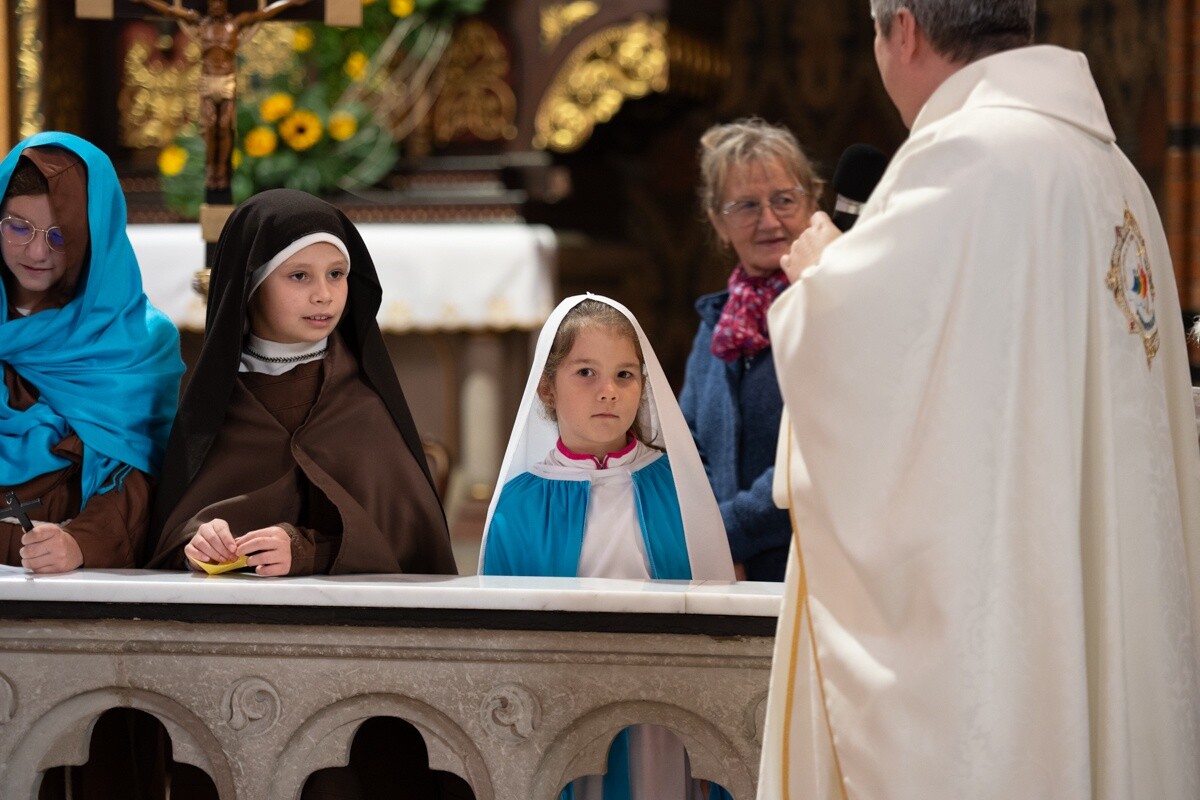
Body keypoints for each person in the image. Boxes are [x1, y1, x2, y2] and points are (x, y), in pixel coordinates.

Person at [757, 2, 1200, 799]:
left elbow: (881, 397)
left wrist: (822, 277)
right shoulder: (1116, 175)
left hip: (1017, 643)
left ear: (904, 30)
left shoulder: (967, 161)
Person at [479, 294, 735, 799]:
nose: (608, 392)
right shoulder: (519, 505)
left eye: (624, 375)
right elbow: (502, 642)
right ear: (547, 387)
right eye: (586, 373)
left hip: (666, 713)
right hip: (565, 711)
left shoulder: (677, 486)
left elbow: (714, 611)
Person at [146, 188, 456, 578]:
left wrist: (311, 552)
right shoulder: (217, 407)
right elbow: (167, 541)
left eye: (336, 274)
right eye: (299, 276)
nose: (324, 295)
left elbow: (410, 545)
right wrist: (197, 543)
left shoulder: (363, 404)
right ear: (251, 284)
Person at [0, 131, 183, 573]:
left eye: (61, 236)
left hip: (71, 565)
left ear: (94, 237)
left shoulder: (139, 343)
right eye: (18, 227)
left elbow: (140, 477)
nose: (37, 251)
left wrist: (82, 542)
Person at [679, 118, 823, 582]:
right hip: (721, 573)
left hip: (807, 573)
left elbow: (817, 455)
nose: (769, 221)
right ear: (718, 222)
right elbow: (685, 449)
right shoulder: (716, 326)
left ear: (812, 204)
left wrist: (726, 536)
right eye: (746, 206)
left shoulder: (829, 308)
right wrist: (707, 546)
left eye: (784, 200)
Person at [131, 0, 312, 191]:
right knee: (210, 127)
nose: (214, 5)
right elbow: (169, 11)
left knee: (225, 126)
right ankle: (211, 168)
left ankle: (222, 169)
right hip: (208, 81)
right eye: (211, 2)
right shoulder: (200, 22)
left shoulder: (235, 24)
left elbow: (265, 13)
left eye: (218, 2)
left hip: (226, 82)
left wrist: (290, 2)